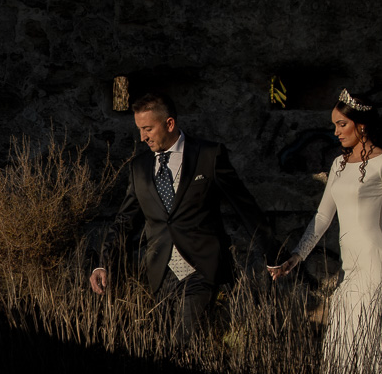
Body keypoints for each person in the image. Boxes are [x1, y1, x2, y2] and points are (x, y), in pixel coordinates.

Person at [268, 89, 382, 374]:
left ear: (362, 126)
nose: (337, 131)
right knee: (344, 337)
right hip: (349, 267)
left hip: (377, 262)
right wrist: (294, 258)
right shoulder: (338, 164)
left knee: (377, 339)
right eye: (334, 125)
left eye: (342, 124)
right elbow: (322, 218)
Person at [89, 93, 269, 339]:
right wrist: (104, 263)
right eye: (139, 129)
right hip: (159, 272)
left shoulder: (208, 154)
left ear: (169, 124)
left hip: (200, 268)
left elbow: (244, 206)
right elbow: (125, 221)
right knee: (165, 344)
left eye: (148, 129)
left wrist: (272, 252)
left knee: (185, 340)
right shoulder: (139, 167)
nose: (142, 137)